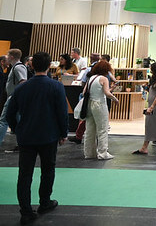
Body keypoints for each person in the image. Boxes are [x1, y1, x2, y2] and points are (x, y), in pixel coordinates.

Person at [6, 52, 67, 224]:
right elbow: (62, 113)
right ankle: (45, 202)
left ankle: (26, 211)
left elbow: (10, 113)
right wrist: (63, 133)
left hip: (26, 136)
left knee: (25, 174)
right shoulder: (56, 87)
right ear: (49, 66)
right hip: (49, 136)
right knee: (48, 170)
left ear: (31, 66)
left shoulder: (21, 88)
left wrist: (17, 129)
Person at [82, 60, 118, 160]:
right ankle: (103, 153)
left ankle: (89, 153)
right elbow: (106, 93)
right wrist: (115, 98)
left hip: (89, 104)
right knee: (102, 129)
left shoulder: (91, 78)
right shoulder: (104, 79)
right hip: (100, 104)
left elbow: (84, 92)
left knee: (89, 130)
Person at [0, 49, 27, 147]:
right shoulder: (15, 67)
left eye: (7, 55)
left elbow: (23, 81)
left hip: (14, 98)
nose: (6, 57)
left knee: (3, 120)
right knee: (19, 121)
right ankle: (23, 143)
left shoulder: (18, 67)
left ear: (11, 56)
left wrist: (16, 97)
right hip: (15, 97)